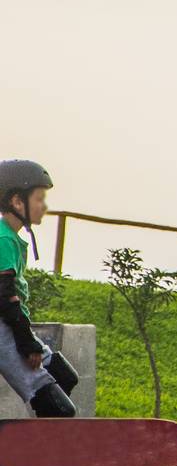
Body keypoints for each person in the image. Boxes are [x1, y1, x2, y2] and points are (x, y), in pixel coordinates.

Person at [0, 159, 80, 417]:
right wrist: (26, 344)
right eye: (39, 198)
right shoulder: (2, 238)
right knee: (57, 407)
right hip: (3, 328)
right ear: (16, 201)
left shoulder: (10, 237)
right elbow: (4, 297)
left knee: (64, 375)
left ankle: (36, 440)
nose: (44, 206)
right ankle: (39, 451)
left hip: (10, 323)